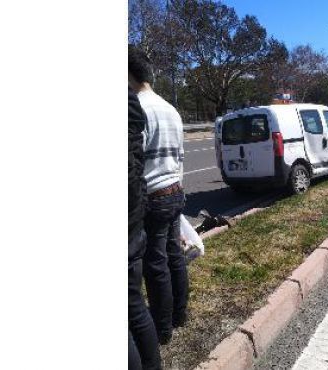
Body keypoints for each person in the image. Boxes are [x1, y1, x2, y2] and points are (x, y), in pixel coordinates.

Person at [128, 48, 189, 345]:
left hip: (153, 195)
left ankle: (162, 330)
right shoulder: (170, 108)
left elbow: (134, 163)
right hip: (175, 190)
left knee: (155, 265)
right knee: (174, 256)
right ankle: (180, 314)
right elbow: (180, 157)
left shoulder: (136, 107)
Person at [129, 87, 163, 370]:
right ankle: (166, 328)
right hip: (135, 207)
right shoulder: (134, 101)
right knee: (134, 301)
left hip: (141, 200)